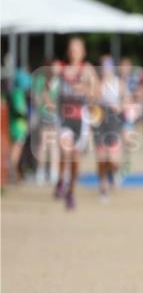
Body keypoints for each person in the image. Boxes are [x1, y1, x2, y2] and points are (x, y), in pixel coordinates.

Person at [54, 37, 98, 211]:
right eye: (71, 48)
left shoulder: (87, 70)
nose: (74, 51)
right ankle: (61, 180)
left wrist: (86, 90)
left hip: (81, 119)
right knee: (66, 150)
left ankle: (71, 190)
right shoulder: (60, 68)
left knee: (75, 157)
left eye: (77, 48)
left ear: (83, 52)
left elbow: (97, 93)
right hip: (64, 118)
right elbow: (47, 89)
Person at [94, 55, 125, 200]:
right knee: (101, 157)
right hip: (100, 122)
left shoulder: (119, 83)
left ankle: (113, 172)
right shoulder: (97, 83)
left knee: (113, 160)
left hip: (114, 122)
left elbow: (127, 100)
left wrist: (120, 106)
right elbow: (93, 99)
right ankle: (103, 186)